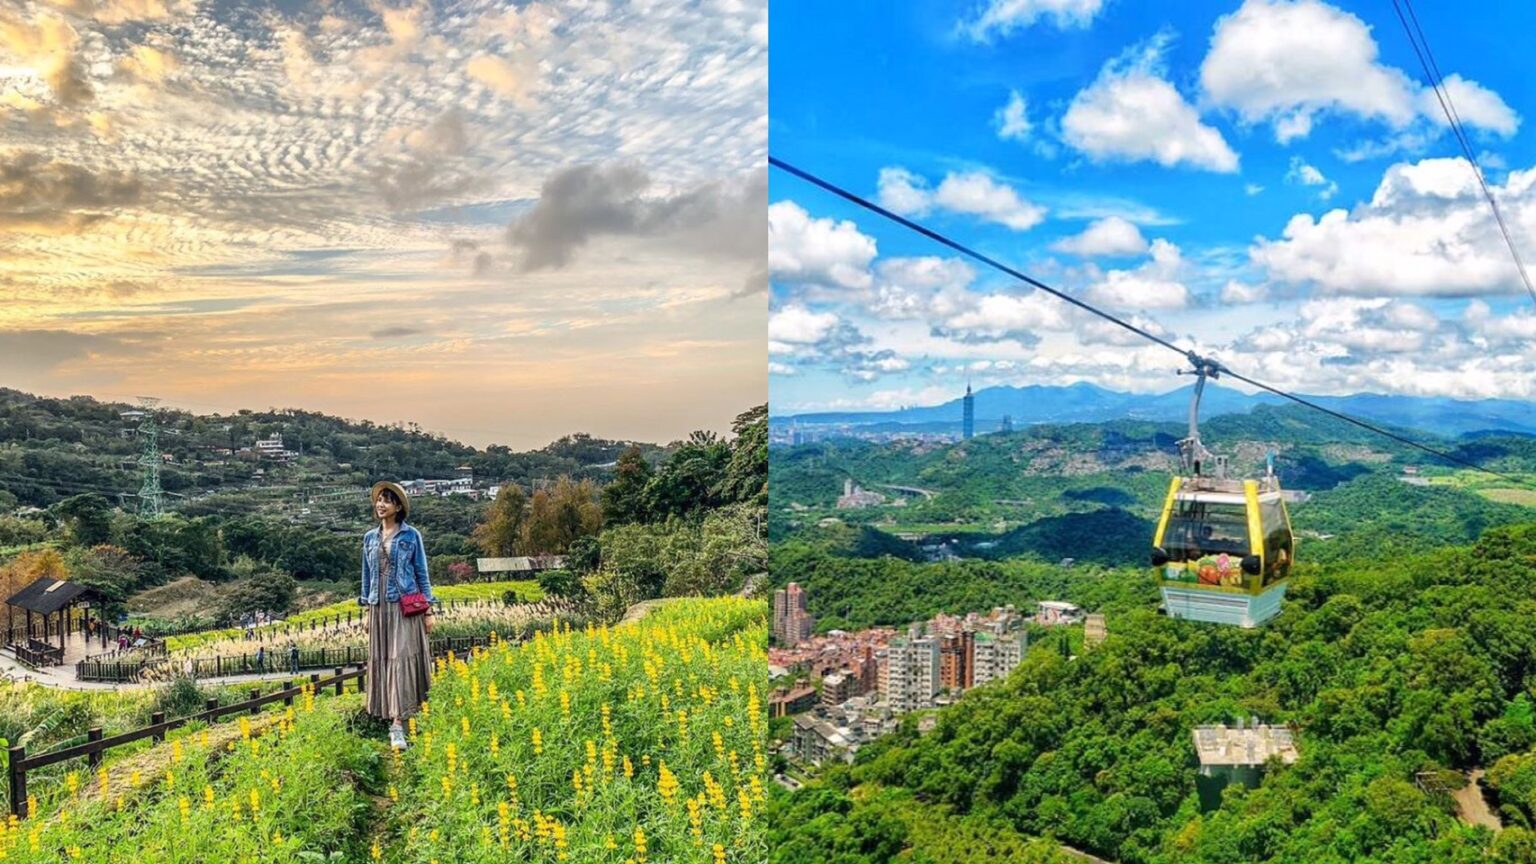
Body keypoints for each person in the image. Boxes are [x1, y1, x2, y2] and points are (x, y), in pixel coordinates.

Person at [360, 480, 439, 751]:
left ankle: (398, 725)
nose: (381, 504)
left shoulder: (410, 536)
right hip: (379, 607)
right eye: (379, 499)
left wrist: (428, 610)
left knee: (402, 659)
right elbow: (366, 576)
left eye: (387, 500)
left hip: (404, 607)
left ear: (398, 507)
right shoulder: (370, 538)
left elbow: (422, 574)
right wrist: (367, 611)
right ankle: (393, 717)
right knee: (384, 660)